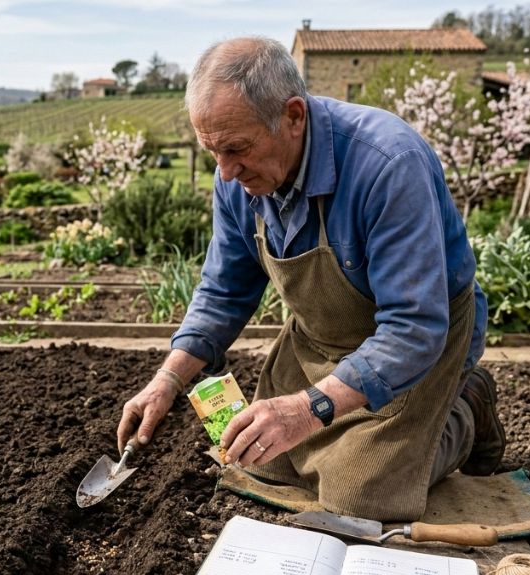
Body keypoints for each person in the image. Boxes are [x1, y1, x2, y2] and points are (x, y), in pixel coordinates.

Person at [117, 36, 504, 521]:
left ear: (294, 116)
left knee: (362, 497)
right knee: (259, 457)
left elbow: (414, 327)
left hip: (417, 345)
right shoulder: (236, 178)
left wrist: (305, 410)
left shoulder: (387, 164)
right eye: (213, 152)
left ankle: (466, 408)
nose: (227, 172)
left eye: (237, 148)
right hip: (320, 341)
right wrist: (168, 380)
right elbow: (223, 290)